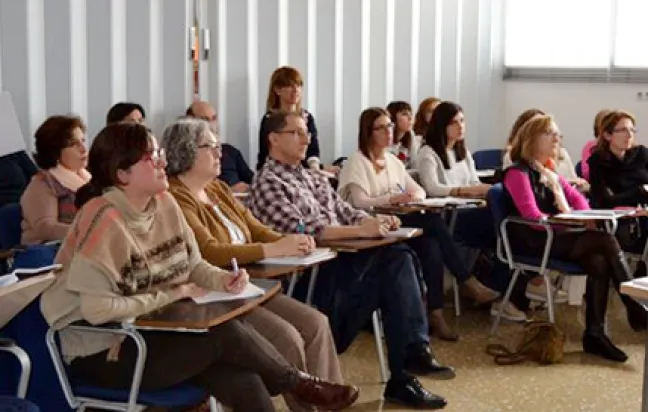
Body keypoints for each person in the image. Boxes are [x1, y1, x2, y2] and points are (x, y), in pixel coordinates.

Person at [39, 122, 359, 412]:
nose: (162, 162)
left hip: (150, 334)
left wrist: (224, 280)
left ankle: (298, 384)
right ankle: (297, 383)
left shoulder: (163, 203)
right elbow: (98, 311)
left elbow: (193, 265)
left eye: (159, 153)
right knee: (220, 333)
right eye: (151, 157)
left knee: (245, 380)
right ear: (123, 175)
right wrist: (172, 294)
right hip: (103, 350)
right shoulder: (103, 219)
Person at [248, 110, 452, 410]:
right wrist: (360, 230)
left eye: (307, 132)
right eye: (297, 133)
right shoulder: (269, 183)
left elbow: (345, 210)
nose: (307, 138)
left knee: (398, 261)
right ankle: (408, 363)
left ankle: (406, 369)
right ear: (273, 139)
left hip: (339, 271)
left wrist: (378, 222)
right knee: (397, 262)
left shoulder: (310, 175)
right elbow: (306, 233)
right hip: (307, 281)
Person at [162, 118, 348, 412]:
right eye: (210, 146)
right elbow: (209, 251)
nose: (219, 152)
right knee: (287, 338)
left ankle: (331, 407)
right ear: (186, 152)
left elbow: (256, 228)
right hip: (216, 297)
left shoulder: (218, 189)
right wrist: (274, 247)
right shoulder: (174, 197)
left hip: (248, 288)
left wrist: (291, 241)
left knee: (317, 323)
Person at [337, 107, 500, 340]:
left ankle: (436, 313)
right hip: (369, 223)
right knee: (433, 222)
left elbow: (421, 190)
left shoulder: (393, 161)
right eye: (381, 128)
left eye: (390, 126)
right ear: (368, 132)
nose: (388, 131)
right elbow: (360, 202)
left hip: (396, 220)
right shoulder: (357, 161)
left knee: (432, 247)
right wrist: (392, 198)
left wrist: (412, 197)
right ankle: (467, 280)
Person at [503, 113, 646, 362]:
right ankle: (634, 304)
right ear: (533, 139)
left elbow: (578, 200)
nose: (558, 138)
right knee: (605, 241)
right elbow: (532, 216)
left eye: (558, 133)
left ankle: (595, 334)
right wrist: (569, 219)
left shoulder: (550, 173)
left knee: (599, 261)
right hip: (535, 239)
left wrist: (579, 214)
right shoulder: (518, 173)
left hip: (558, 235)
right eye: (551, 134)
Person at [417, 102, 527, 321]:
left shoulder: (462, 152)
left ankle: (502, 291)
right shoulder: (428, 152)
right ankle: (497, 292)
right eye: (454, 122)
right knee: (503, 228)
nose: (460, 126)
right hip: (449, 216)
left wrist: (480, 191)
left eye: (462, 121)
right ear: (441, 125)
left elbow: (474, 181)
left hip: (470, 210)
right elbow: (432, 188)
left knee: (509, 232)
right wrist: (465, 191)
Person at [20, 115, 90, 245]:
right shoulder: (42, 184)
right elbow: (45, 228)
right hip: (56, 256)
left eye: (83, 141)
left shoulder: (88, 177)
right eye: (74, 144)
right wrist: (88, 232)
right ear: (55, 152)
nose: (83, 149)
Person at [257, 66, 339, 176]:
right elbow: (265, 154)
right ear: (277, 90)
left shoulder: (307, 117)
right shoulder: (269, 119)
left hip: (306, 171)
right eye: (289, 86)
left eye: (299, 85)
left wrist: (315, 169)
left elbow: (313, 151)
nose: (296, 90)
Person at [503, 109, 588, 192]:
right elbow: (525, 187)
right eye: (547, 132)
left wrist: (579, 185)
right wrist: (565, 184)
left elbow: (573, 182)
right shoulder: (513, 158)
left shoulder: (562, 152)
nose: (555, 139)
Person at [185, 101, 253, 192]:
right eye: (205, 120)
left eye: (214, 119)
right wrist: (228, 191)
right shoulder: (186, 154)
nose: (211, 124)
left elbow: (254, 181)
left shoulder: (231, 151)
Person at [386, 101, 422, 169]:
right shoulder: (386, 137)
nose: (410, 118)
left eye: (411, 114)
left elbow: (414, 164)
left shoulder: (410, 135)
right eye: (404, 114)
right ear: (392, 118)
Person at [580, 109, 611, 181]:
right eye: (604, 126)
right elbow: (586, 174)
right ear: (598, 128)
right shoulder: (590, 146)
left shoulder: (619, 146)